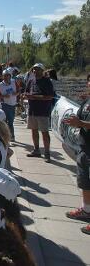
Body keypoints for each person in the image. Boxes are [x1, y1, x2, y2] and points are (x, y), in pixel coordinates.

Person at [63, 73, 90, 235]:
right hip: (84, 148)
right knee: (84, 182)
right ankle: (86, 210)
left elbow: (81, 122)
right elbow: (78, 118)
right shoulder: (87, 101)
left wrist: (80, 123)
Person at [24, 63, 55, 162]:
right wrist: (25, 95)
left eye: (37, 69)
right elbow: (27, 92)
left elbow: (50, 97)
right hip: (32, 110)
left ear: (42, 70)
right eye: (34, 69)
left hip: (43, 112)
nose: (35, 71)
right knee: (33, 130)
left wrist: (35, 97)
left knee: (44, 133)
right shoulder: (31, 80)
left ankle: (47, 153)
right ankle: (36, 150)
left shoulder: (47, 82)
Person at [0, 70, 18, 141]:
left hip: (13, 104)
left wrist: (16, 94)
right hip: (4, 104)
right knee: (5, 121)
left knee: (11, 121)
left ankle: (11, 136)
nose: (6, 77)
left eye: (8, 75)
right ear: (2, 77)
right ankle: (5, 136)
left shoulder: (14, 82)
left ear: (10, 76)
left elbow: (18, 91)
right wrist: (4, 96)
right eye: (5, 76)